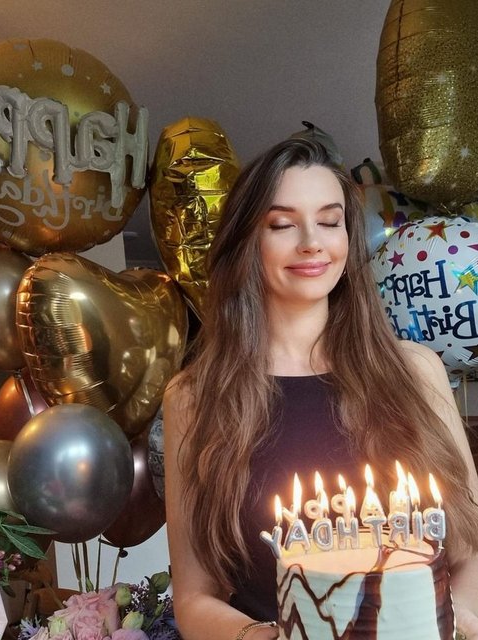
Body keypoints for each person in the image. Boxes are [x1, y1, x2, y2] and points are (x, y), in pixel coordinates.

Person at [163, 138, 478, 640]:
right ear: (246, 241)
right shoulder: (195, 397)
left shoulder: (416, 372)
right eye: (282, 225)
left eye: (330, 221)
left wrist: (446, 624)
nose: (312, 242)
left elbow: (471, 550)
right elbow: (194, 596)